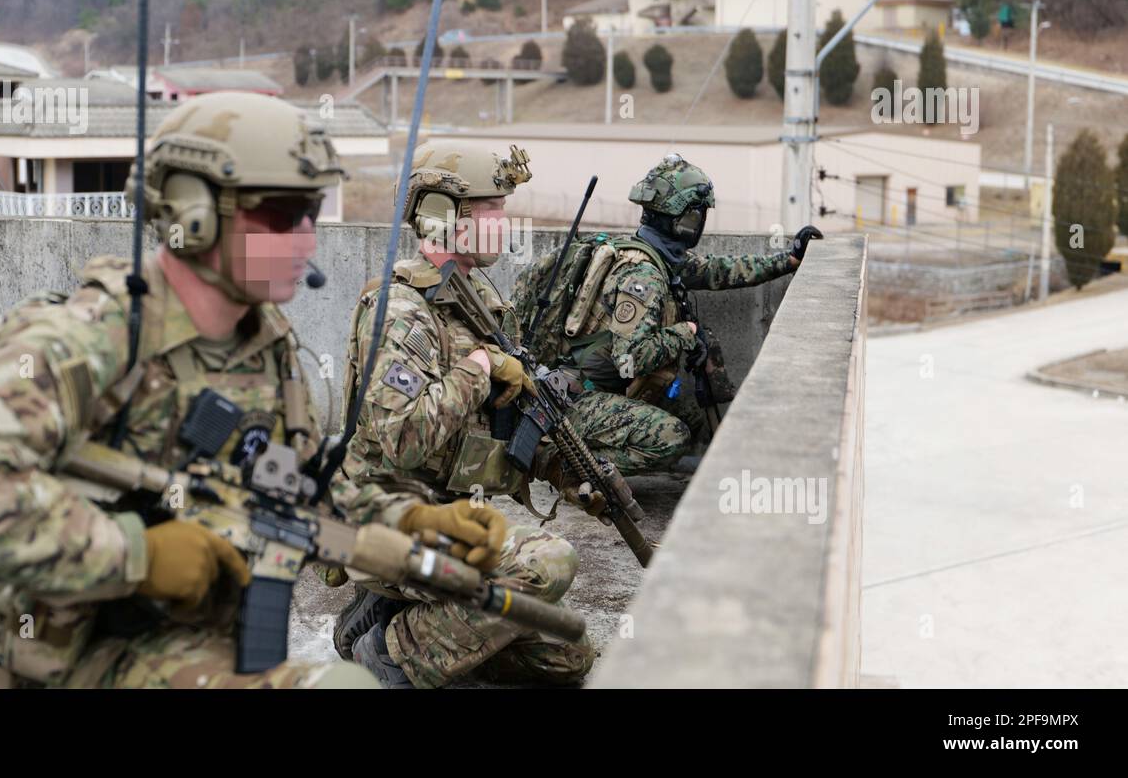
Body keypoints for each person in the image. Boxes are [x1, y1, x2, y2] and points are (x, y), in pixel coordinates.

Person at [0, 92, 385, 688]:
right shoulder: (96, 337)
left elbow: (300, 490)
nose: (307, 239)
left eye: (313, 210)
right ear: (194, 214)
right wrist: (138, 555)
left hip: (201, 650)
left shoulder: (268, 345)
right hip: (87, 657)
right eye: (284, 214)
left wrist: (415, 533)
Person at [333, 142, 597, 689]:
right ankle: (388, 651)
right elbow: (402, 437)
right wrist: (481, 365)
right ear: (443, 217)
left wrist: (569, 476)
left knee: (567, 654)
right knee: (548, 563)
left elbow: (501, 423)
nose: (505, 224)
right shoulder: (403, 311)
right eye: (492, 211)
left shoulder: (477, 297)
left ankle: (390, 617)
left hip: (450, 508)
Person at [514, 153, 822, 476]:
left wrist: (788, 260)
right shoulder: (644, 275)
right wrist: (685, 333)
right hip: (577, 400)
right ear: (679, 220)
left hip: (601, 391)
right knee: (673, 437)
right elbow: (629, 359)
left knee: (691, 416)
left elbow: (719, 271)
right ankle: (558, 464)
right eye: (696, 216)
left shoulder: (658, 257)